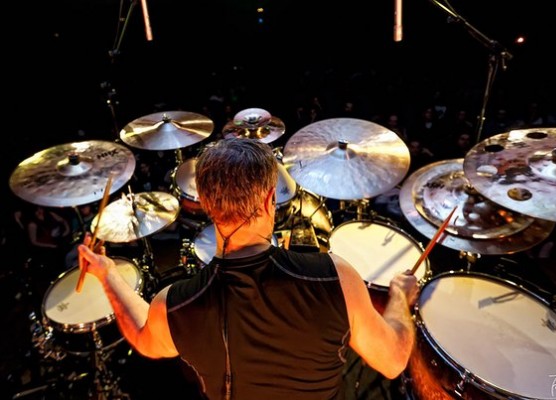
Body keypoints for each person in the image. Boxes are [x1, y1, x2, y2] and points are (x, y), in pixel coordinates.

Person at [78, 138, 419, 399]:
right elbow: (392, 361)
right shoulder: (335, 277)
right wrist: (400, 300)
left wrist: (107, 274)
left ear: (205, 204)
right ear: (271, 200)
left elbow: (143, 338)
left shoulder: (175, 306)